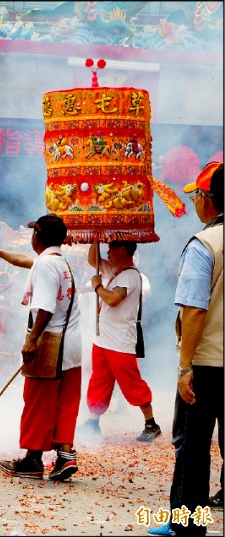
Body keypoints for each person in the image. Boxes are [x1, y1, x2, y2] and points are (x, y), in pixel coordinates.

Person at [0, 213, 82, 482]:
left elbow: (46, 306)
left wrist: (31, 339)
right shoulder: (58, 262)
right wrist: (1, 253)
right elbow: (28, 262)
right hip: (71, 346)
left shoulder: (47, 265)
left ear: (37, 235)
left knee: (37, 402)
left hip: (51, 342)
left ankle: (32, 460)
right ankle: (65, 457)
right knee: (65, 403)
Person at [168, 161, 223, 536]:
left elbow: (194, 310)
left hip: (207, 366)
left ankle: (189, 527)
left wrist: (184, 367)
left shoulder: (204, 244)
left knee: (194, 448)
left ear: (208, 200)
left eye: (197, 195)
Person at [79, 241, 161, 442]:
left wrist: (97, 286)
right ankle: (93, 421)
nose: (108, 252)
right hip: (103, 338)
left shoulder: (131, 275)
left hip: (120, 341)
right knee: (99, 381)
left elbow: (113, 299)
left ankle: (151, 423)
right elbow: (93, 260)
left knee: (131, 382)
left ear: (123, 250)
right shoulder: (115, 269)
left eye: (111, 248)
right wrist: (94, 240)